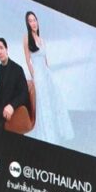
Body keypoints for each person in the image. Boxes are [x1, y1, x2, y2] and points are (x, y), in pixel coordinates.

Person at [23, 11, 74, 144]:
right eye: (30, 21)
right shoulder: (26, 38)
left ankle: (56, 132)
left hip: (46, 74)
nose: (33, 23)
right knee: (43, 104)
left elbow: (45, 61)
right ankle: (47, 136)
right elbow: (28, 61)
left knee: (53, 101)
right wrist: (34, 77)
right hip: (38, 75)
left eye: (35, 20)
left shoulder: (42, 40)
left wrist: (49, 75)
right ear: (27, 24)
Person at [0, 36, 29, 132]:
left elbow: (24, 94)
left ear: (6, 49)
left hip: (10, 106)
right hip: (0, 104)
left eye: (1, 48)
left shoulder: (17, 69)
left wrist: (11, 106)